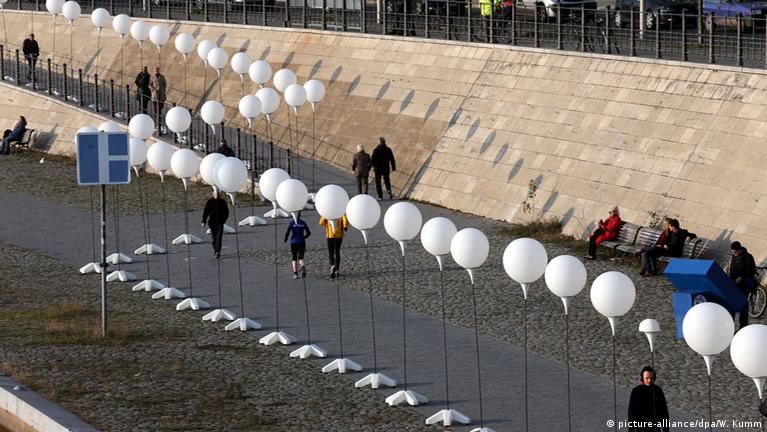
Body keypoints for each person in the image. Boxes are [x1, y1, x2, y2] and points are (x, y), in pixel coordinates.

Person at [627, 366, 670, 432]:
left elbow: (664, 412)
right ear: (642, 378)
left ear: (654, 378)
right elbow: (631, 413)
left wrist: (666, 430)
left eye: (651, 378)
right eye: (647, 378)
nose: (649, 380)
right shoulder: (636, 391)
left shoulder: (658, 390)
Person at [728, 241, 757, 330]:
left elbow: (751, 270)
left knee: (743, 305)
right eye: (732, 252)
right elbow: (732, 269)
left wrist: (741, 277)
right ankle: (730, 324)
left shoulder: (748, 257)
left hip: (744, 284)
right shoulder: (734, 256)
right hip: (735, 284)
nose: (733, 253)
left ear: (739, 250)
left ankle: (743, 327)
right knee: (731, 304)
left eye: (735, 252)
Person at [201, 190, 229, 259]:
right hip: (212, 223)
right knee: (214, 239)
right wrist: (203, 221)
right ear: (212, 194)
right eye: (215, 193)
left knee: (219, 238)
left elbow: (226, 211)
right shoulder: (210, 201)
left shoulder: (223, 201)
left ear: (219, 194)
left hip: (220, 223)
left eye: (217, 193)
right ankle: (215, 250)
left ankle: (218, 252)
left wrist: (224, 220)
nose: (216, 195)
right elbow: (205, 212)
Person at [319, 214, 348, 279]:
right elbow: (345, 219)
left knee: (331, 252)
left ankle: (332, 265)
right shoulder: (341, 212)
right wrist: (345, 226)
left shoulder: (327, 212)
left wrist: (326, 222)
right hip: (339, 234)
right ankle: (337, 270)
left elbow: (321, 222)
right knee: (337, 251)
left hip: (329, 235)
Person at [284, 211, 311, 279]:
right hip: (301, 242)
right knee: (301, 256)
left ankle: (295, 274)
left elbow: (287, 233)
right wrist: (304, 237)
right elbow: (309, 233)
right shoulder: (303, 222)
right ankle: (302, 266)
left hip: (293, 242)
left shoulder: (291, 223)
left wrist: (285, 239)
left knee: (294, 257)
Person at [150, 67, 167, 132]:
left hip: (161, 95)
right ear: (154, 71)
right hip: (155, 95)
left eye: (157, 70)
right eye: (155, 70)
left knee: (160, 108)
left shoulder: (162, 77)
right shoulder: (152, 77)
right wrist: (153, 89)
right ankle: (157, 123)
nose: (156, 71)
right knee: (155, 109)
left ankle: (159, 123)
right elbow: (150, 84)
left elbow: (165, 84)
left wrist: (163, 90)